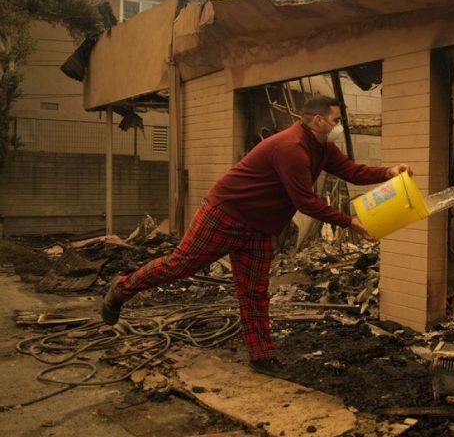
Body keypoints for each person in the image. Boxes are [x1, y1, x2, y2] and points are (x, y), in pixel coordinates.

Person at [101, 95, 411, 377]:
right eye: (336, 120)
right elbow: (305, 201)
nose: (338, 126)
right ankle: (122, 289)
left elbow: (353, 171)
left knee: (254, 291)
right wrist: (350, 222)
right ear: (318, 120)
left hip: (260, 226)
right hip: (226, 215)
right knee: (180, 265)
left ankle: (261, 355)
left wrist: (387, 172)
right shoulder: (292, 148)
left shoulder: (323, 148)